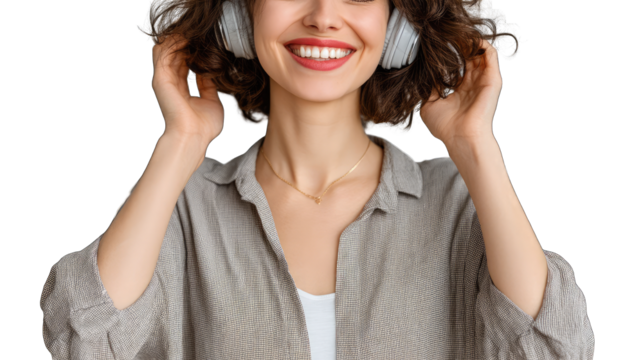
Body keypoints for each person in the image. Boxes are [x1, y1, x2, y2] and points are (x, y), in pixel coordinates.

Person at [41, 0, 594, 359]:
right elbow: (80, 342)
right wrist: (180, 143)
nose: (324, 15)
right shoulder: (183, 209)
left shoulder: (456, 204)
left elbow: (556, 350)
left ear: (397, 25)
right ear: (240, 14)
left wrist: (476, 148)